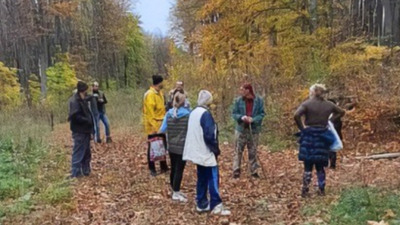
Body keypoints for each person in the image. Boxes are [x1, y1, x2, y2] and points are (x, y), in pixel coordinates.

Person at [183, 90, 231, 216]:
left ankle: (201, 203)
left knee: (202, 177)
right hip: (205, 151)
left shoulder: (193, 112)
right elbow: (209, 135)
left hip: (197, 151)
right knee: (212, 177)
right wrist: (215, 149)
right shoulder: (205, 114)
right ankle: (216, 204)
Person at [294, 84, 345, 197]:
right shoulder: (329, 104)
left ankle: (305, 189)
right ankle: (321, 189)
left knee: (308, 164)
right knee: (320, 165)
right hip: (323, 135)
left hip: (309, 135)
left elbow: (296, 115)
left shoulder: (307, 104)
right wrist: (330, 121)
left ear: (312, 92)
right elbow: (342, 112)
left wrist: (302, 129)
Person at [159, 92, 191, 203]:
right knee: (179, 169)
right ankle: (176, 192)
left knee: (173, 167)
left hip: (171, 145)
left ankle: (174, 189)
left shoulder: (169, 114)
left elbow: (162, 129)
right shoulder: (188, 114)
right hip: (182, 146)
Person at [231, 84, 265, 178]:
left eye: (242, 90)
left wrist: (253, 119)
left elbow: (262, 114)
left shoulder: (259, 101)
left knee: (253, 150)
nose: (241, 92)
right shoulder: (238, 101)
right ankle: (236, 170)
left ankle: (254, 171)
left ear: (248, 90)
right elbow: (234, 113)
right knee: (238, 150)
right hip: (241, 129)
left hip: (253, 130)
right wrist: (241, 117)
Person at [68, 81, 95, 178]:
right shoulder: (75, 101)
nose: (86, 93)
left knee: (86, 151)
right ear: (82, 91)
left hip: (85, 130)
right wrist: (87, 120)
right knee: (78, 151)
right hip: (79, 131)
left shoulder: (81, 99)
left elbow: (89, 98)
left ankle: (85, 170)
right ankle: (75, 173)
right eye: (85, 91)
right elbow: (74, 116)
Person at [143, 75, 169, 176]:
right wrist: (155, 127)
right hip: (153, 126)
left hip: (161, 124)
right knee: (153, 147)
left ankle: (163, 166)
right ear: (159, 83)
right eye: (162, 82)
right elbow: (149, 113)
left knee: (163, 146)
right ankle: (152, 168)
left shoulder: (160, 94)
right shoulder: (150, 94)